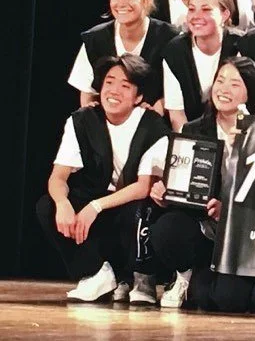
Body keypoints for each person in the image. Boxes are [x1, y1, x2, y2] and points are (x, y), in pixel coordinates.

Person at [37, 55, 170, 304]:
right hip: (95, 201)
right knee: (48, 206)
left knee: (142, 210)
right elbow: (58, 176)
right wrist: (63, 204)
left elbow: (143, 187)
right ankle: (95, 273)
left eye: (125, 86)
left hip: (127, 207)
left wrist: (96, 207)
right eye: (109, 82)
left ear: (139, 97)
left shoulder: (153, 127)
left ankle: (137, 278)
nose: (114, 91)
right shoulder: (81, 120)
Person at [150, 56, 255, 312]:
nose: (224, 89)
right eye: (220, 80)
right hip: (203, 230)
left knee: (227, 301)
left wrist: (230, 209)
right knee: (167, 228)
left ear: (251, 91)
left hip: (242, 237)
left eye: (235, 84)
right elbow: (180, 182)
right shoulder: (193, 130)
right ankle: (185, 274)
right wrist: (163, 190)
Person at [68, 0, 178, 113]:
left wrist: (152, 115)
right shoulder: (95, 39)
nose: (121, 3)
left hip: (154, 126)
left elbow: (176, 94)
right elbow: (87, 94)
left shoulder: (170, 38)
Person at [162, 0, 242, 132]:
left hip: (234, 131)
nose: (196, 16)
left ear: (225, 14)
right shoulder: (175, 50)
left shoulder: (241, 45)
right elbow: (176, 113)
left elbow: (247, 105)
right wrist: (191, 146)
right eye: (191, 9)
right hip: (192, 132)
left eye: (206, 10)